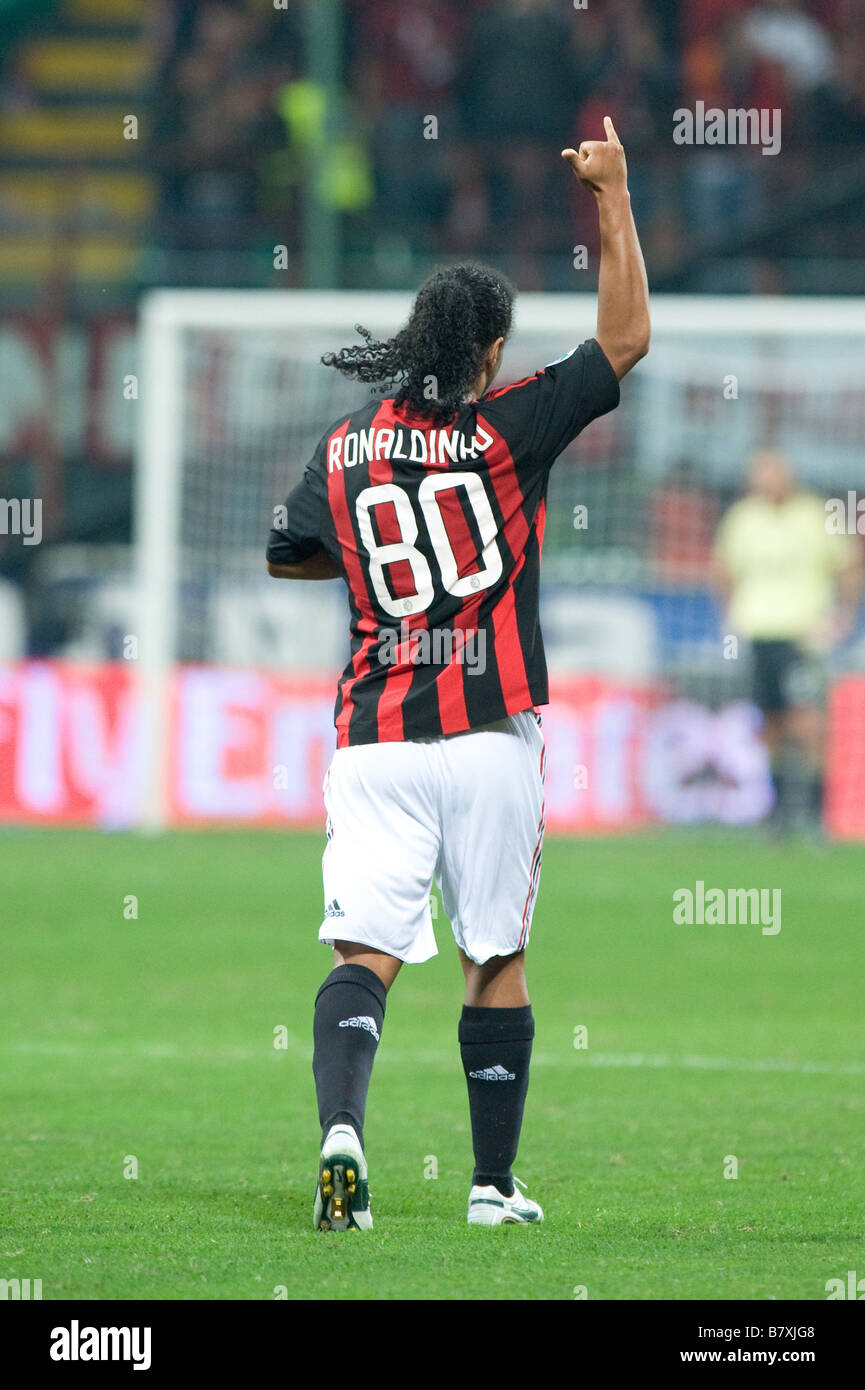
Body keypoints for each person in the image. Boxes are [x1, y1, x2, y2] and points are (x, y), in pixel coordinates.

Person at [266, 118, 649, 1229]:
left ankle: (343, 1132)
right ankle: (490, 1187)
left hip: (376, 735)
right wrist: (612, 196)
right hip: (490, 734)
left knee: (364, 954)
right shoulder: (510, 429)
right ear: (487, 354)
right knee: (495, 955)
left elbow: (290, 552)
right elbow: (622, 337)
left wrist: (390, 587)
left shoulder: (343, 446)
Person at [713, 450, 862, 833]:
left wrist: (843, 617)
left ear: (786, 475)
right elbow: (722, 568)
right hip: (761, 634)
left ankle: (814, 816)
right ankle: (777, 817)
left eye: (769, 474)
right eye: (757, 476)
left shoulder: (814, 514)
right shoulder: (743, 518)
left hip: (804, 636)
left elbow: (848, 563)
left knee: (807, 723)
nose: (763, 482)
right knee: (771, 726)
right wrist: (728, 616)